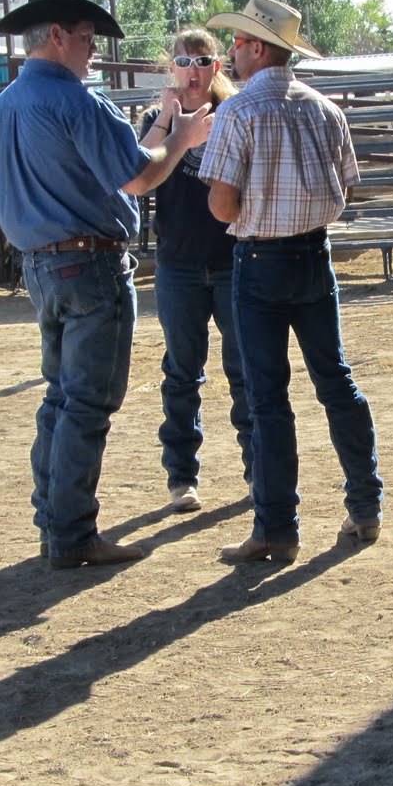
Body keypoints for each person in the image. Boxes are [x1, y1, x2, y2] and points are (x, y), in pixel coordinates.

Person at [0, 0, 212, 569]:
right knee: (86, 402)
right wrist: (182, 137)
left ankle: (54, 521)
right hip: (90, 262)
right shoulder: (76, 101)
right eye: (86, 38)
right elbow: (135, 177)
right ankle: (72, 532)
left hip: (41, 263)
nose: (91, 50)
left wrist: (160, 132)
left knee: (61, 396)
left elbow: (116, 160)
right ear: (58, 35)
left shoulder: (5, 106)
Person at [198, 0, 383, 562]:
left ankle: (278, 526)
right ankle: (365, 505)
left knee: (268, 397)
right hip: (313, 256)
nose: (231, 51)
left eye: (237, 42)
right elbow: (346, 188)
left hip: (259, 262)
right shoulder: (325, 109)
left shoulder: (238, 112)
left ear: (257, 47)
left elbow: (223, 208)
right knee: (336, 381)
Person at [137, 30, 253, 512]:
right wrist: (168, 117)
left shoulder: (235, 111)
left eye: (202, 60)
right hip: (179, 266)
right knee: (182, 374)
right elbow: (139, 175)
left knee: (245, 371)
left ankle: (257, 471)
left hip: (231, 261)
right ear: (172, 68)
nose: (192, 69)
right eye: (183, 61)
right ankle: (182, 478)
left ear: (217, 67)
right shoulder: (156, 118)